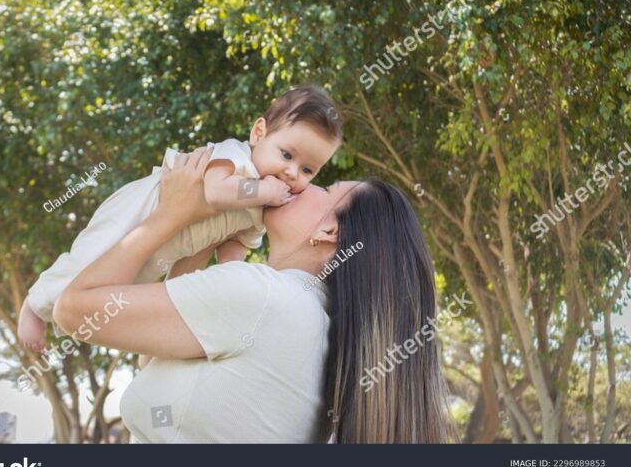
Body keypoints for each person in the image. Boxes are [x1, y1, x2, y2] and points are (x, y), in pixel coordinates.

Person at [53, 148, 459, 443]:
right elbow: (156, 359)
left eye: (325, 187)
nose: (299, 181)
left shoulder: (263, 296)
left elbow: (73, 310)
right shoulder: (319, 327)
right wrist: (203, 235)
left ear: (329, 233)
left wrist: (171, 216)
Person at [18, 84, 342, 352]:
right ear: (259, 132)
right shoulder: (236, 157)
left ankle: (64, 314)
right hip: (144, 207)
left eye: (308, 170)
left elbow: (233, 253)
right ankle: (36, 304)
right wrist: (264, 192)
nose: (291, 172)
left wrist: (231, 276)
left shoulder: (258, 217)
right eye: (286, 155)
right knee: (93, 254)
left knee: (123, 285)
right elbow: (215, 192)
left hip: (164, 245)